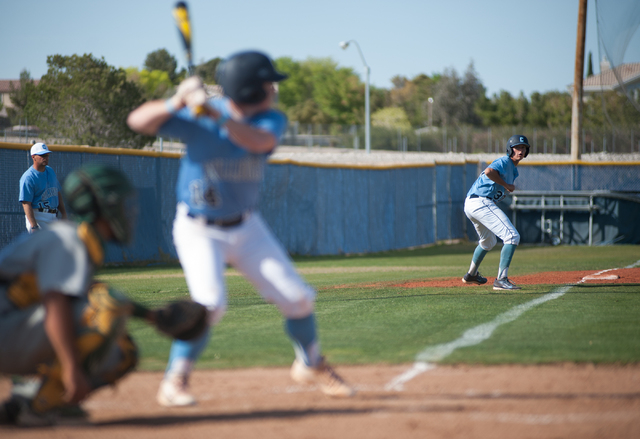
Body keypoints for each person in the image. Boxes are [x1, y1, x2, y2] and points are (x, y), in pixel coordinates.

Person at [127, 50, 355, 407]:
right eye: (268, 84)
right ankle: (175, 381)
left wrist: (214, 112)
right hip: (198, 229)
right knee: (210, 306)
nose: (273, 90)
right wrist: (177, 100)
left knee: (298, 298)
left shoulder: (269, 120)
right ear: (249, 90)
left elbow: (258, 142)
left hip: (247, 226)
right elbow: (137, 121)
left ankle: (310, 364)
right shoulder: (196, 118)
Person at [1, 165, 145, 426]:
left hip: (10, 325)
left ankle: (27, 401)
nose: (129, 211)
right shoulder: (68, 240)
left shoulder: (75, 238)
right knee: (104, 310)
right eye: (121, 203)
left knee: (121, 351)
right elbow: (57, 304)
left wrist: (154, 316)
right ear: (103, 208)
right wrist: (71, 368)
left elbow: (87, 292)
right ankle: (38, 406)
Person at [462, 135, 530, 291]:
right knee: (512, 236)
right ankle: (501, 280)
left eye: (524, 148)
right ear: (510, 149)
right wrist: (506, 185)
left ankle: (471, 274)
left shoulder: (513, 170)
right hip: (480, 202)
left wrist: (507, 186)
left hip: (472, 204)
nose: (521, 150)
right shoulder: (505, 161)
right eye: (518, 147)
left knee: (488, 242)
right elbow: (489, 171)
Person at [19, 142, 67, 232]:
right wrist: (33, 226)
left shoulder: (50, 171)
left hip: (53, 217)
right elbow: (26, 203)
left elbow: (57, 192)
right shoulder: (28, 177)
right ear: (33, 157)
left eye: (47, 155)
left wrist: (64, 214)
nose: (46, 158)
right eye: (42, 155)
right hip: (38, 217)